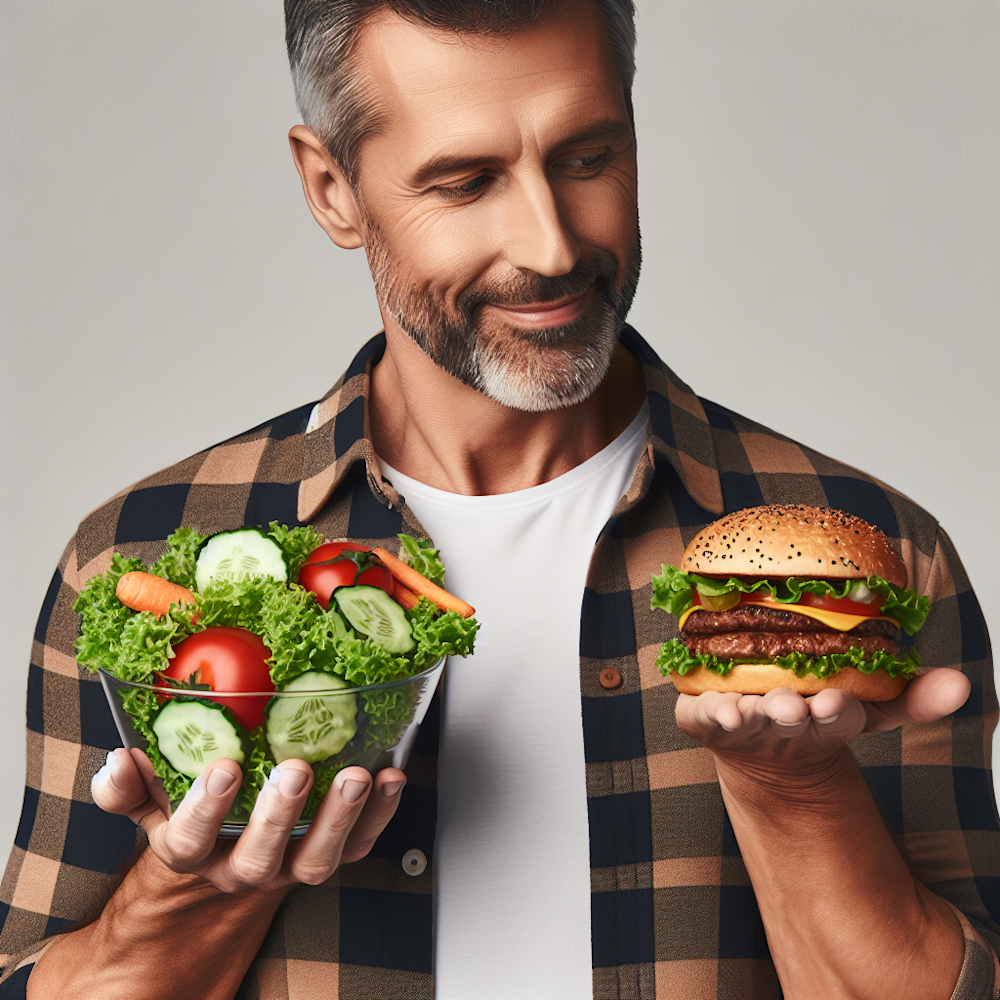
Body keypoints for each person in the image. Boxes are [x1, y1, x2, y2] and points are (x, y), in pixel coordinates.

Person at [0, 1, 997, 998]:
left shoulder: (864, 563)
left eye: (587, 157)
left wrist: (798, 789)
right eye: (466, 181)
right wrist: (199, 887)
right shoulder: (140, 555)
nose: (551, 246)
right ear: (333, 189)